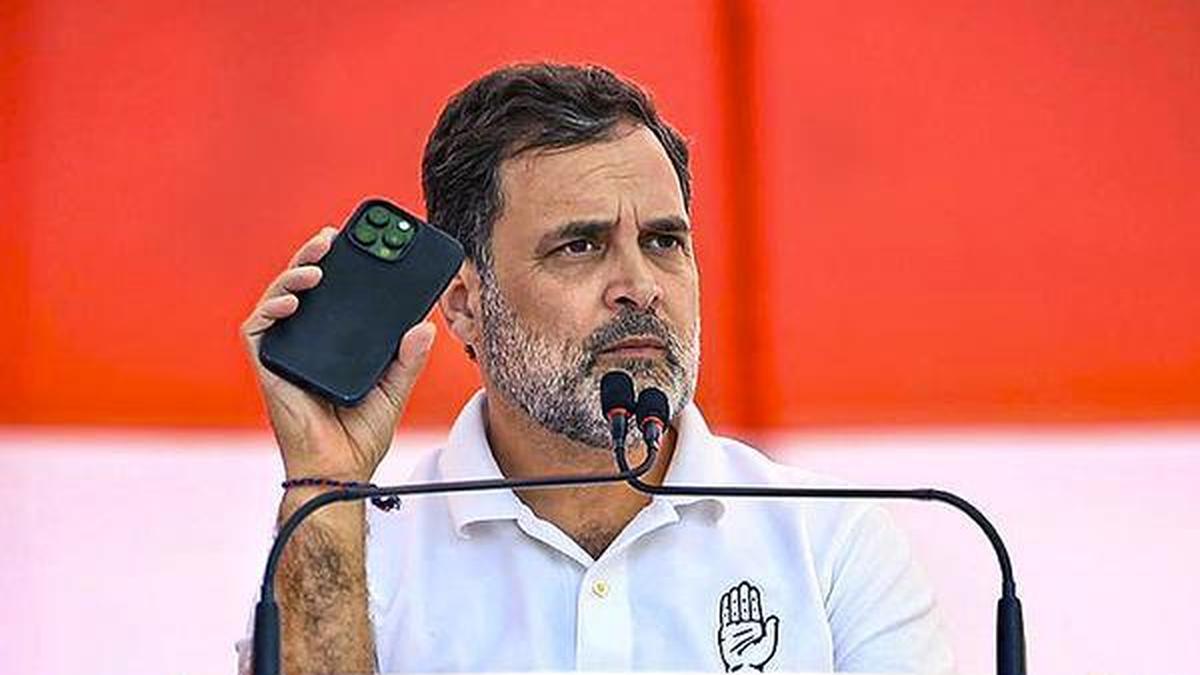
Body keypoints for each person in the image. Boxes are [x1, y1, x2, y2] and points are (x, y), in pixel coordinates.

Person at [237, 63, 954, 673]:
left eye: (663, 241)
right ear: (464, 304)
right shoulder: (351, 546)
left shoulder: (830, 543)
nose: (639, 286)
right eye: (579, 246)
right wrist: (324, 474)